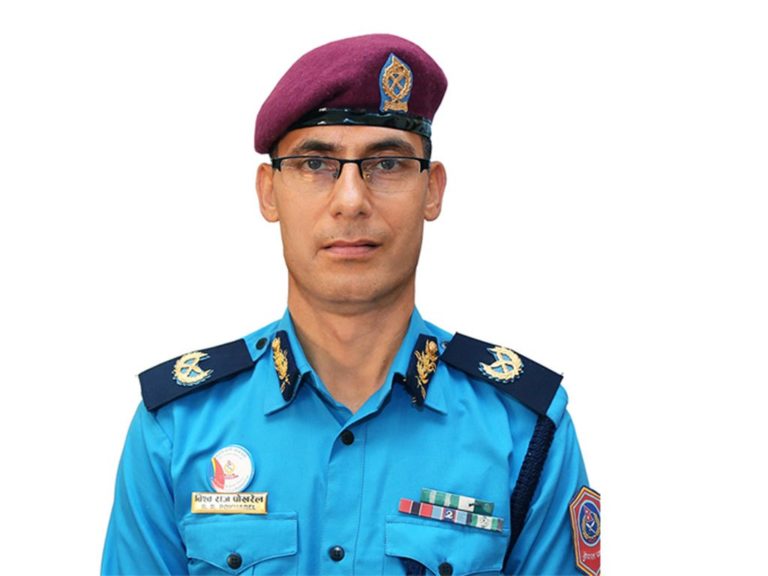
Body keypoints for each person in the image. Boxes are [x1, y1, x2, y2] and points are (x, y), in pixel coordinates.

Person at [102, 34, 599, 576]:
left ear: (432, 190)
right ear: (269, 191)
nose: (351, 200)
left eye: (387, 164)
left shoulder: (523, 431)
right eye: (315, 163)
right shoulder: (178, 428)